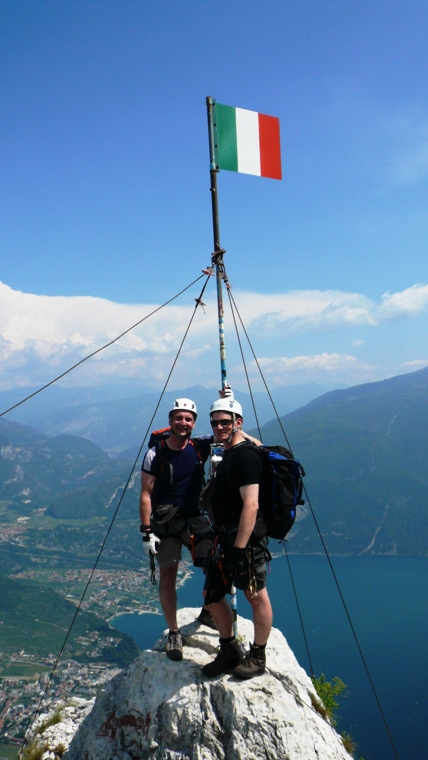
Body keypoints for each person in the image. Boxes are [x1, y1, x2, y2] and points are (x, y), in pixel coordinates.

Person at [202, 397, 273, 680]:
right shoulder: (234, 448)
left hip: (245, 540)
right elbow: (254, 442)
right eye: (215, 422)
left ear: (237, 423)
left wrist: (238, 550)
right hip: (224, 538)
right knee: (212, 594)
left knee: (254, 595)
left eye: (225, 422)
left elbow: (251, 505)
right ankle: (230, 649)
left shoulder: (244, 457)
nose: (219, 427)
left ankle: (257, 655)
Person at [139, 398, 214, 661]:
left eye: (188, 418)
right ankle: (174, 632)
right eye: (178, 418)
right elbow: (146, 494)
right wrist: (146, 531)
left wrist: (227, 401)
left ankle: (208, 609)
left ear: (194, 423)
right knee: (168, 577)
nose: (183, 423)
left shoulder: (200, 446)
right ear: (170, 421)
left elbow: (231, 432)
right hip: (166, 522)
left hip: (194, 517)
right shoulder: (155, 453)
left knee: (215, 566)